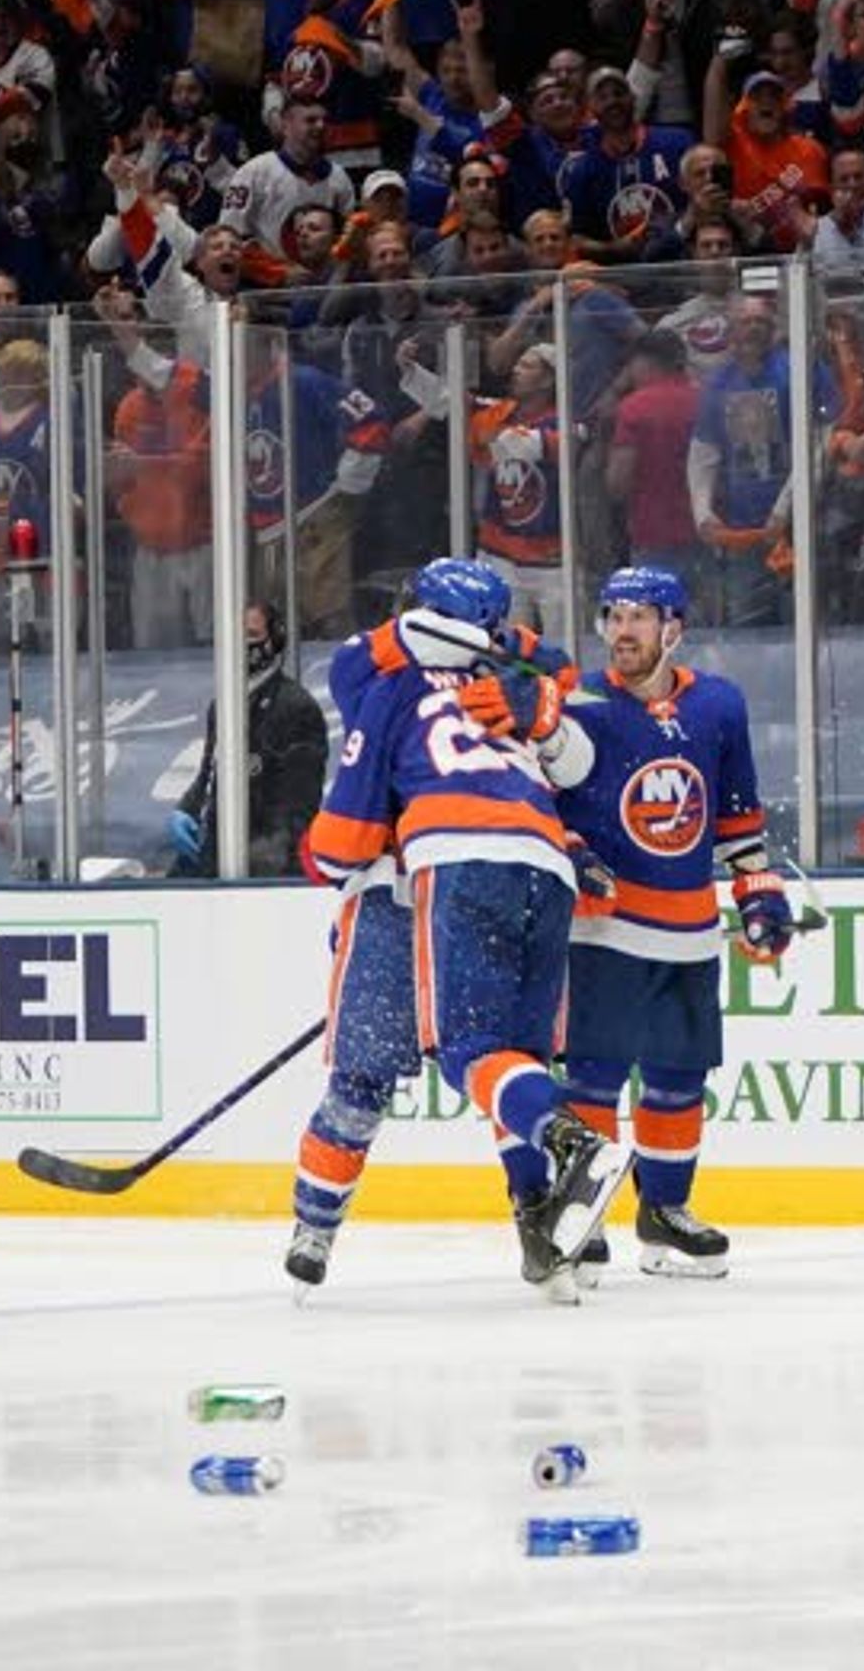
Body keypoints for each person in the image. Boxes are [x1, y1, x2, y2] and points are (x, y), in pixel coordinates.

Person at [297, 556, 617, 1298]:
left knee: (451, 1057)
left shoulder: (388, 687)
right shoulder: (495, 679)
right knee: (509, 1060)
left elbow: (341, 838)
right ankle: (540, 1227)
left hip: (437, 876)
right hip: (524, 871)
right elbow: (570, 715)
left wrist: (329, 853)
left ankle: (563, 1149)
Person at [555, 564, 784, 1279]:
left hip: (688, 928)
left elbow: (738, 814)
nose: (622, 630)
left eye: (639, 617)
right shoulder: (579, 702)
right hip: (606, 928)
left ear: (673, 630)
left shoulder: (719, 705)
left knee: (680, 1076)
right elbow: (541, 802)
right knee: (593, 1078)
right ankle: (581, 1216)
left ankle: (664, 1213)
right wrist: (569, 852)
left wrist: (758, 892)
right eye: (613, 615)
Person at [172, 603, 329, 877]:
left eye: (251, 635)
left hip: (272, 868)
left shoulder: (296, 707)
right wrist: (187, 809)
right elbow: (209, 775)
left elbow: (299, 807)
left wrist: (257, 855)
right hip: (218, 855)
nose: (242, 645)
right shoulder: (222, 705)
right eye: (234, 636)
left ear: (275, 640)